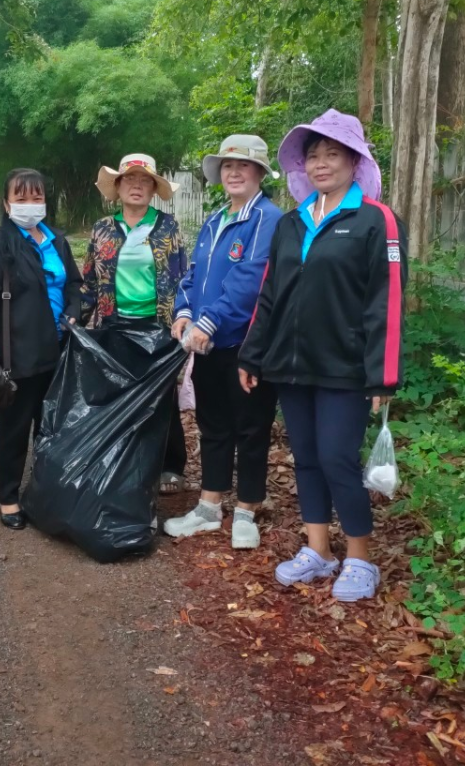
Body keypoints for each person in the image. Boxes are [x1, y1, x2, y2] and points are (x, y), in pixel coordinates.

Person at [238, 109, 407, 602]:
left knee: (336, 458)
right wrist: (252, 356)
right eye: (313, 156)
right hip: (292, 366)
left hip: (345, 368)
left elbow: (387, 300)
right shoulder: (291, 223)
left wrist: (383, 376)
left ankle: (360, 558)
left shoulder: (376, 220)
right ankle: (318, 550)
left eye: (333, 154)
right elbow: (270, 295)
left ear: (355, 162)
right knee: (307, 458)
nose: (321, 164)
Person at [165, 134, 283, 549]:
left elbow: (251, 280)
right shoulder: (216, 220)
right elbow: (194, 274)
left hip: (246, 346)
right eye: (227, 166)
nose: (234, 172)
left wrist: (209, 321)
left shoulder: (269, 220)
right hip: (207, 347)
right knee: (213, 426)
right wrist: (183, 312)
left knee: (251, 429)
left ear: (259, 173)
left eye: (244, 166)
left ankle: (247, 510)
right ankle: (210, 507)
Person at [0, 169, 83, 529]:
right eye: (21, 198)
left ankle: (44, 491)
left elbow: (75, 286)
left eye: (36, 197)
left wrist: (72, 314)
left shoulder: (57, 241)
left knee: (51, 426)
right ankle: (8, 497)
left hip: (60, 348)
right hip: (19, 351)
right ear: (6, 204)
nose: (30, 205)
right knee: (15, 426)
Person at [82, 154, 189, 494]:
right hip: (113, 325)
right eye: (130, 180)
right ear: (118, 187)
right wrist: (81, 319)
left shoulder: (168, 226)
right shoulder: (102, 229)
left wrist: (183, 319)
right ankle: (126, 461)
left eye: (144, 182)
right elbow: (88, 278)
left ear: (153, 189)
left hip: (158, 326)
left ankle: (170, 465)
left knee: (162, 398)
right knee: (119, 395)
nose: (137, 186)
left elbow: (183, 276)